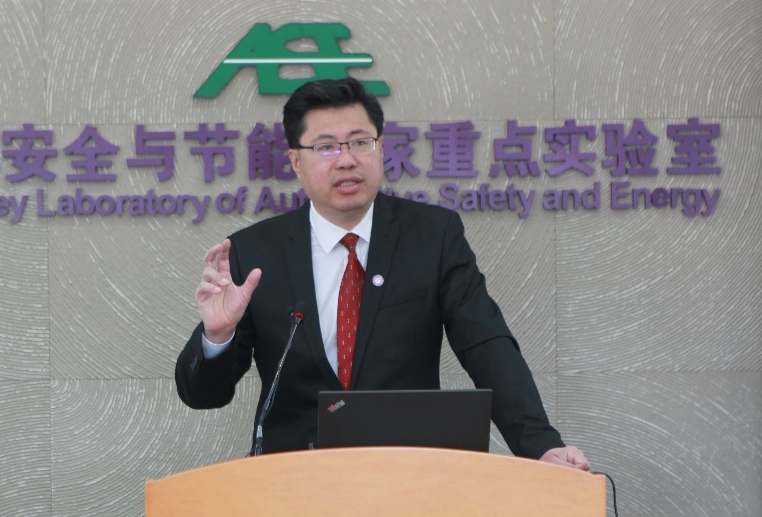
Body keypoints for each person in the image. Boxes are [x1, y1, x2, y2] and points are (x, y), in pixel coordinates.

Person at [175, 77, 589, 469]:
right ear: (296, 161)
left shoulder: (432, 235)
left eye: (360, 142)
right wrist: (217, 336)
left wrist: (540, 445)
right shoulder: (254, 252)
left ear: (381, 148)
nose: (347, 160)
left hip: (407, 475)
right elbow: (204, 395)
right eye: (326, 147)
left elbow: (487, 345)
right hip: (294, 481)